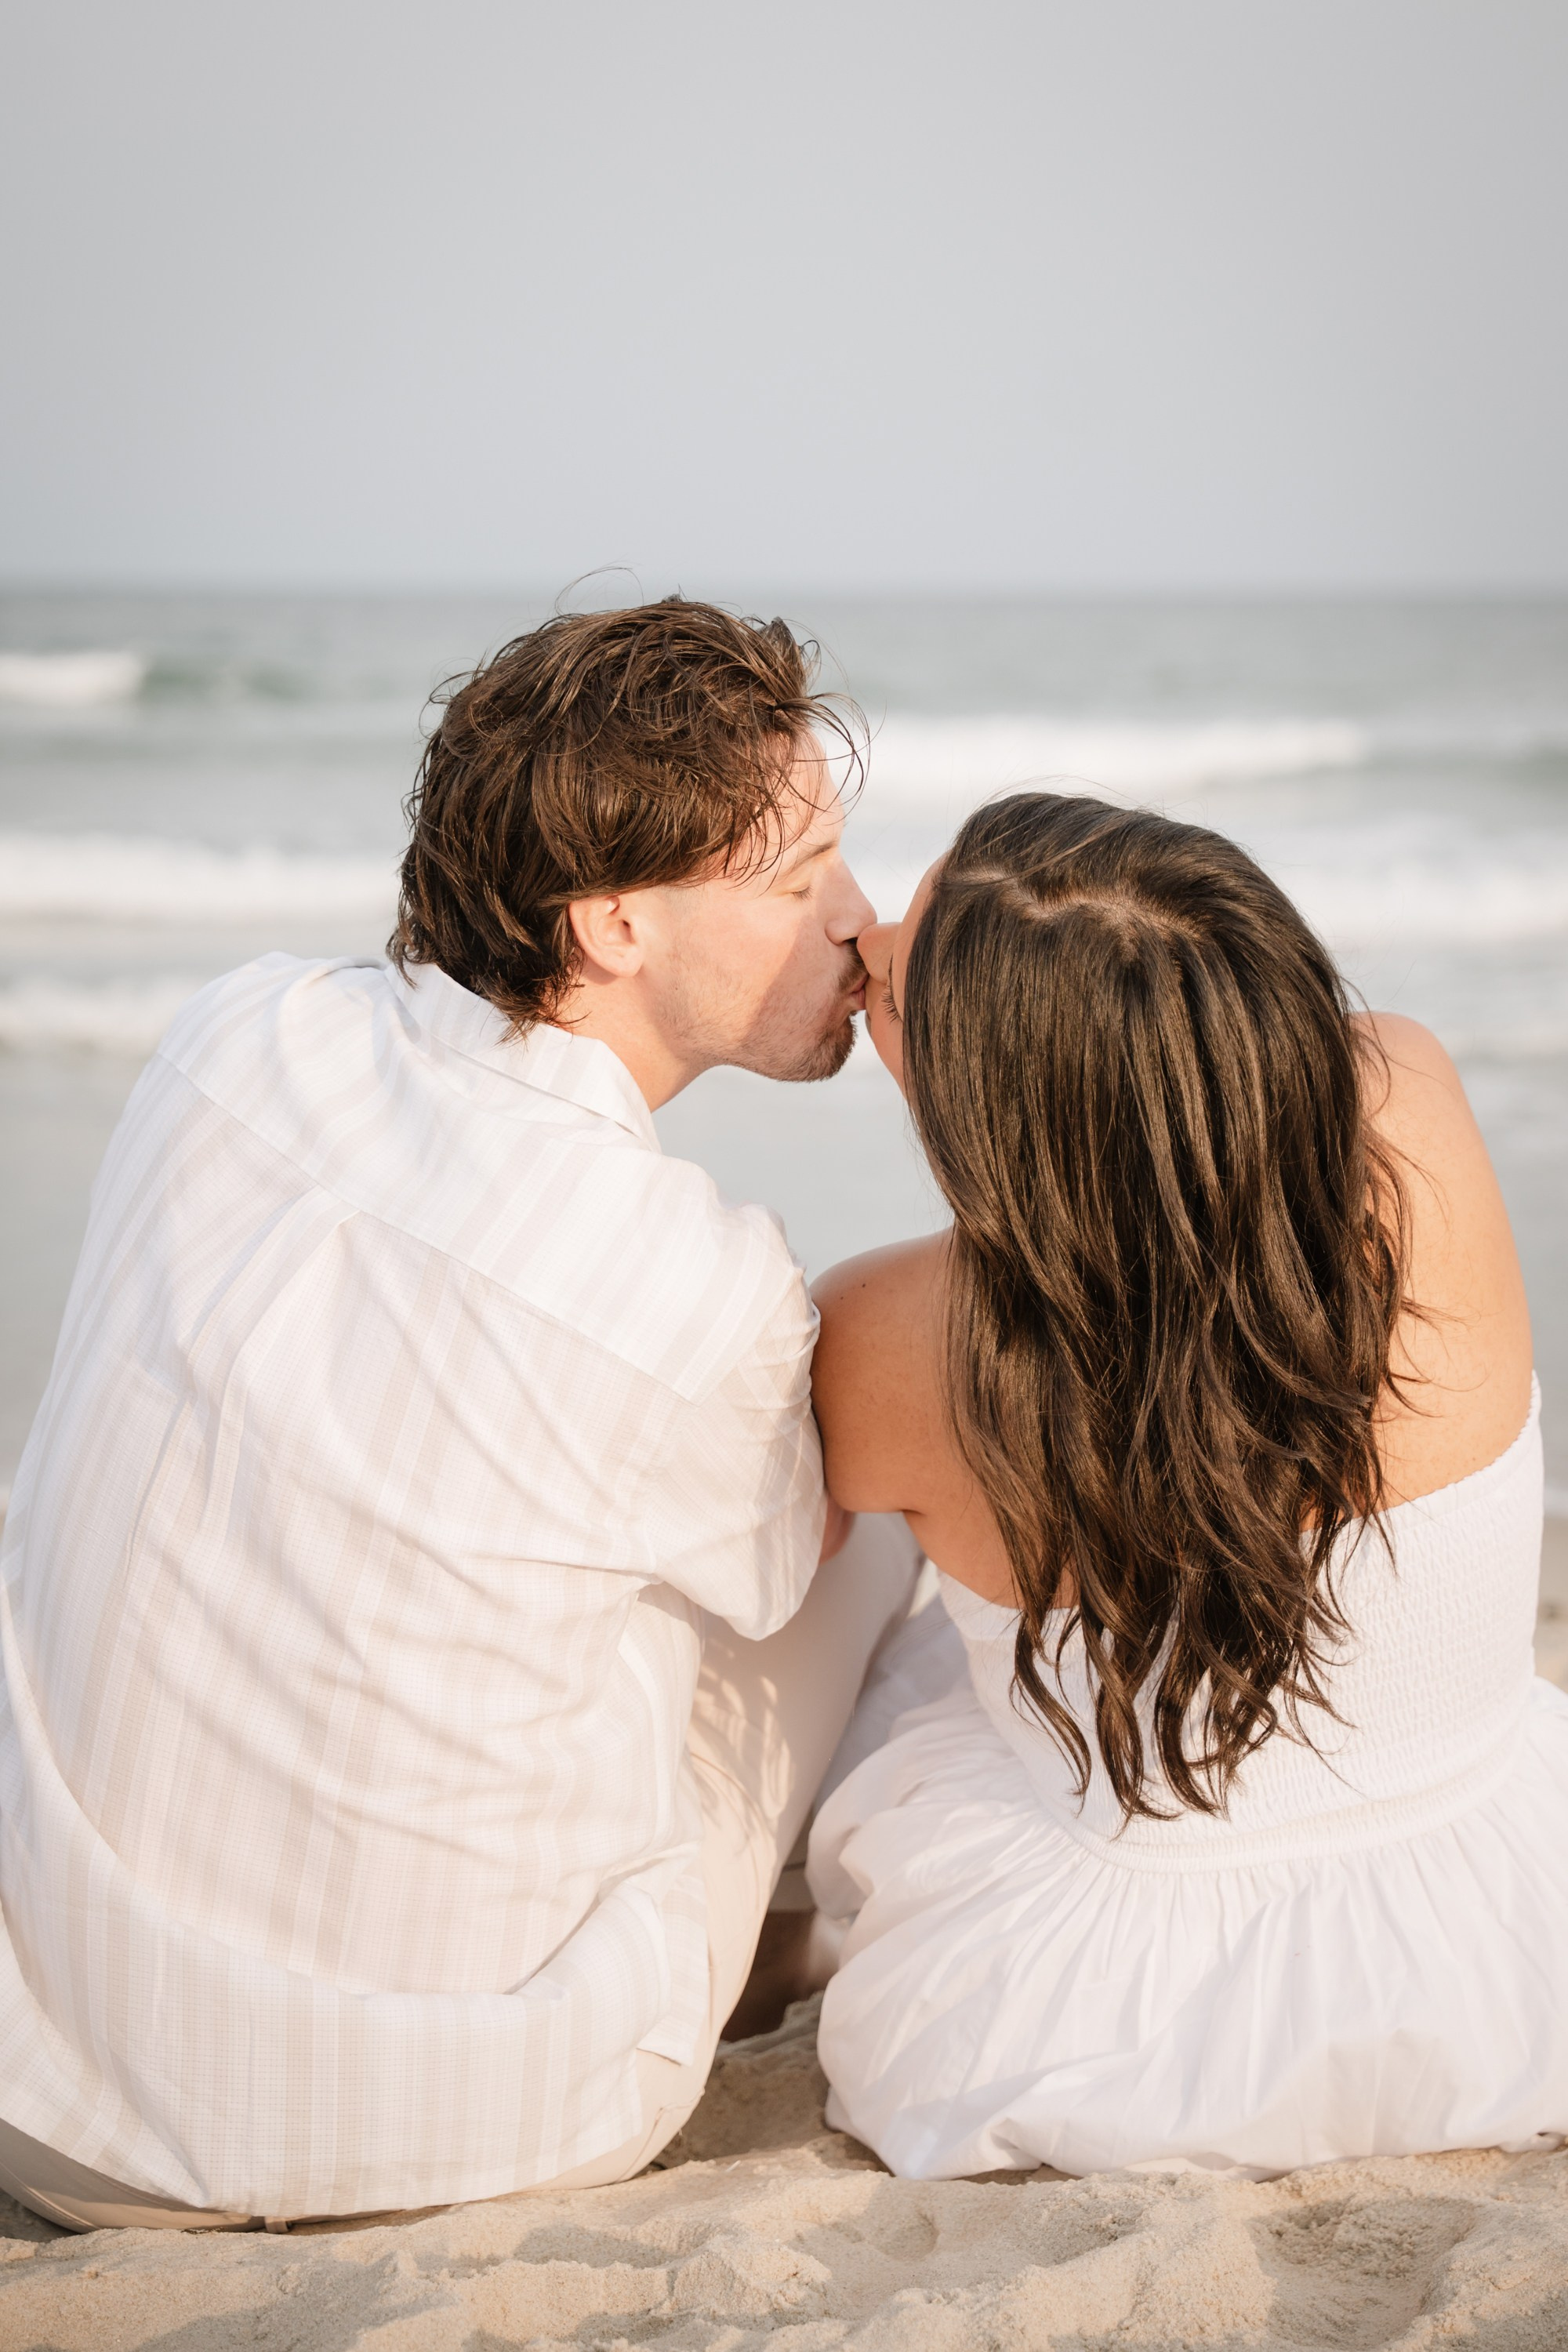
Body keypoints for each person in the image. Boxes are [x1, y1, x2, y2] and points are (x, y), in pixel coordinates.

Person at [0, 598, 918, 2230]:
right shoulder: (694, 1293)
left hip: (37, 2068)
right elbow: (797, 1557)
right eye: (796, 881)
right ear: (614, 925)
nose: (860, 919)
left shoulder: (236, 1029)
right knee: (860, 1524)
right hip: (403, 2135)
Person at [808, 789, 1568, 2180]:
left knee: (861, 1609)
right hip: (1516, 1926)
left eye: (902, 998)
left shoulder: (888, 1340)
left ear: (1000, 1107)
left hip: (1128, 2014)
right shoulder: (1407, 1093)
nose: (872, 945)